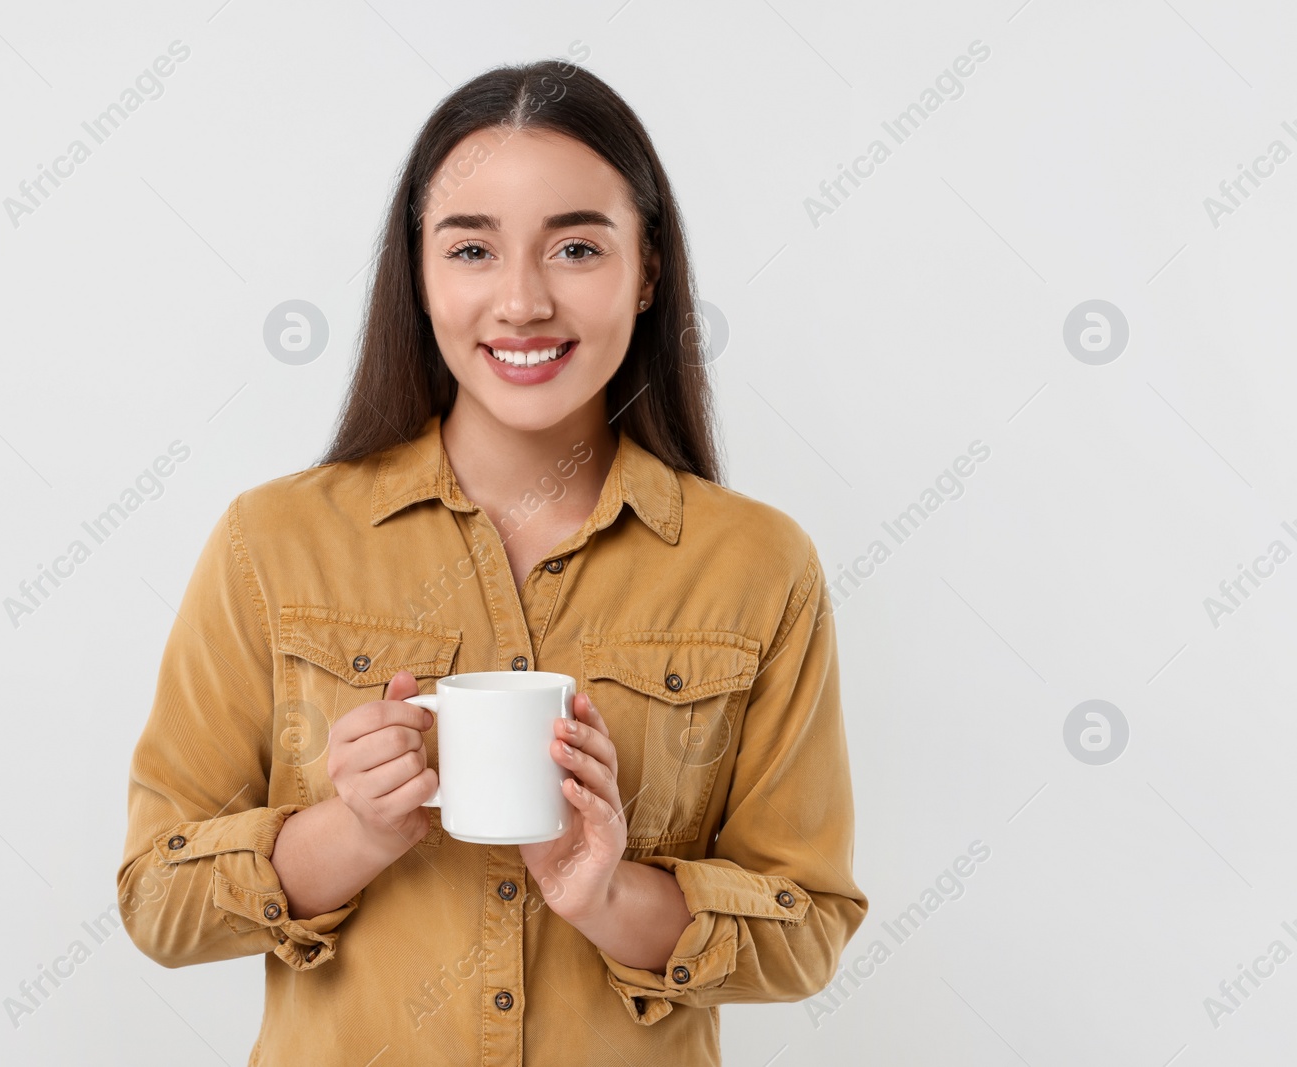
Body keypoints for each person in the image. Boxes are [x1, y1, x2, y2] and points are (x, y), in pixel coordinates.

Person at [118, 58, 867, 1065]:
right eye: (471, 247)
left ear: (646, 270)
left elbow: (808, 924)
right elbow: (156, 899)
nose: (521, 301)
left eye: (574, 246)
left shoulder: (757, 564)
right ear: (419, 275)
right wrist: (354, 831)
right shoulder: (274, 542)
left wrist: (609, 894)